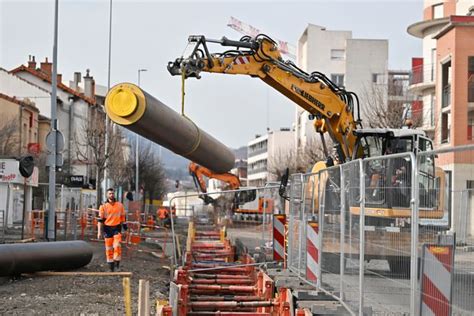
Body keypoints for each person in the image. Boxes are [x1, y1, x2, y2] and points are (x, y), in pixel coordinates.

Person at [97, 188, 127, 272]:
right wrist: (99, 232)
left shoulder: (120, 205)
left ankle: (117, 266)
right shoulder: (103, 206)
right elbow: (100, 220)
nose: (111, 195)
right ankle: (111, 268)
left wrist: (125, 229)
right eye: (110, 193)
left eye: (113, 193)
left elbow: (123, 219)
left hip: (117, 228)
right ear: (107, 195)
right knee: (109, 249)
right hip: (107, 229)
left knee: (117, 246)